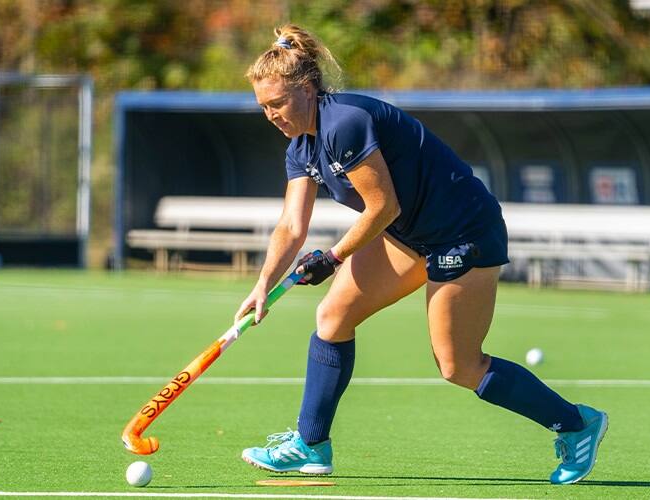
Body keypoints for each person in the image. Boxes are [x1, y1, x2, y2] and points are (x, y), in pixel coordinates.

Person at [235, 24, 608, 485]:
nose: (271, 115)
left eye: (278, 103)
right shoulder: (301, 146)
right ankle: (310, 445)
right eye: (263, 108)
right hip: (409, 236)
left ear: (308, 89)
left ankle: (576, 424)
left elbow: (382, 206)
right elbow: (292, 225)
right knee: (333, 318)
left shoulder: (344, 122)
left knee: (458, 366)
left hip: (463, 232)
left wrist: (332, 258)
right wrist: (262, 286)